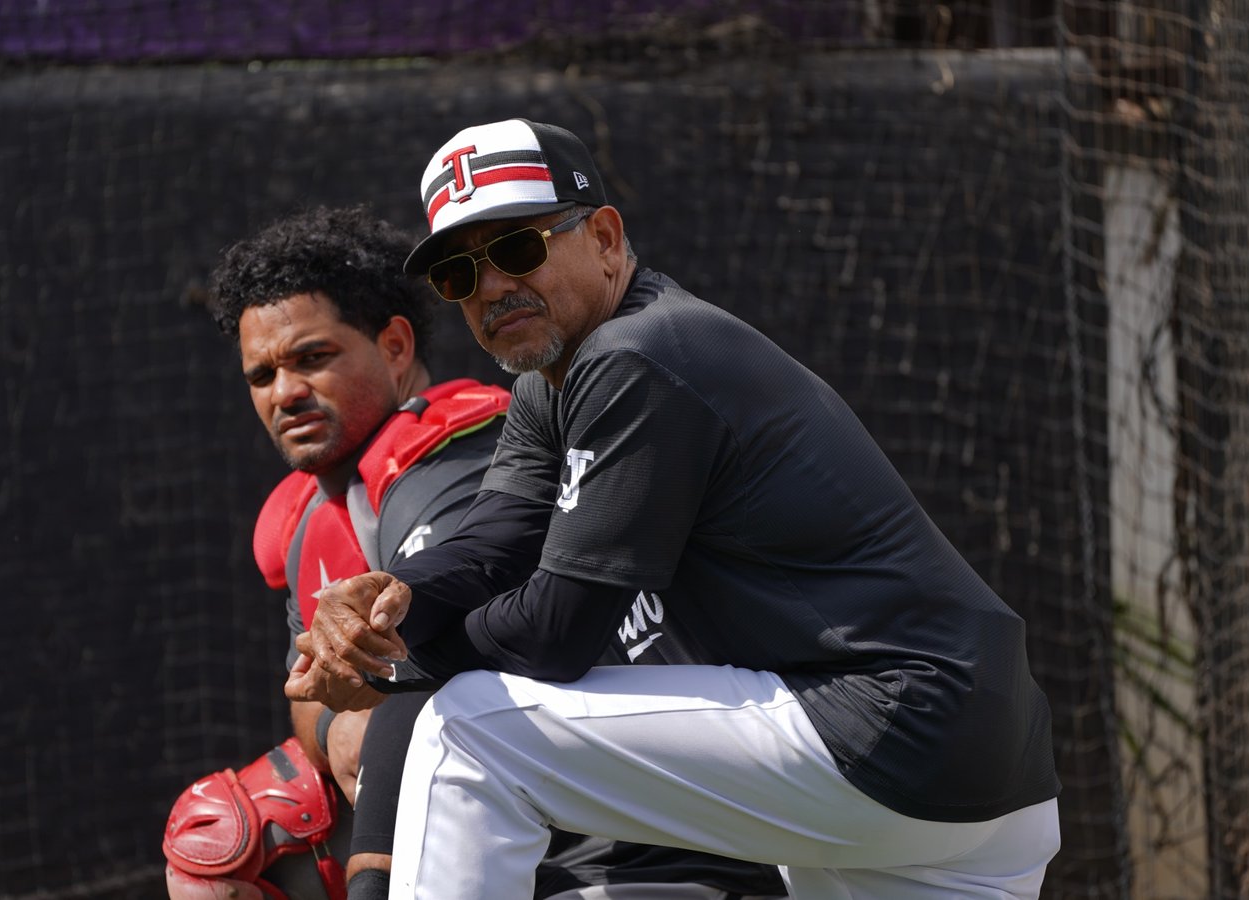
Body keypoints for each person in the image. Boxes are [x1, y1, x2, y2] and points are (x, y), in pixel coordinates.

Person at [288, 120, 1064, 899]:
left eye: (517, 249)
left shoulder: (636, 353)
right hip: (982, 766)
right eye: (459, 272)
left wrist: (396, 666)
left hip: (890, 723)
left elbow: (558, 629)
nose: (490, 287)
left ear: (603, 238)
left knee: (466, 730)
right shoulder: (550, 385)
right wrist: (390, 600)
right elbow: (494, 544)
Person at [161, 206, 787, 900]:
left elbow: (438, 668)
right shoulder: (305, 518)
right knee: (218, 841)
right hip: (506, 799)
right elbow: (311, 697)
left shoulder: (455, 456)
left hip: (640, 829)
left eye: (312, 358)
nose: (286, 393)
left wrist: (367, 714)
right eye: (262, 375)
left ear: (395, 346)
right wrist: (338, 717)